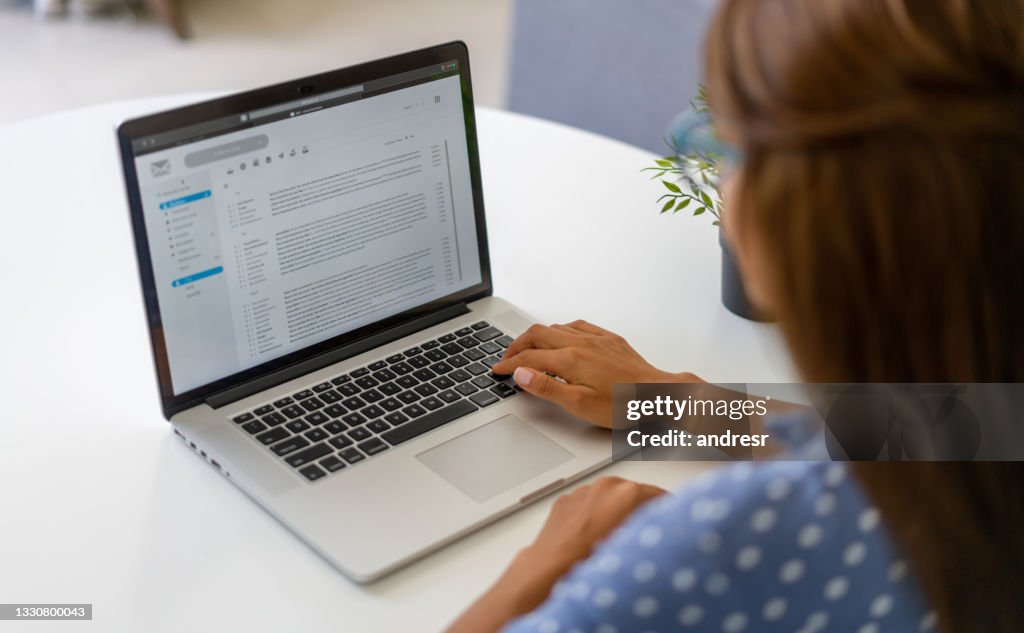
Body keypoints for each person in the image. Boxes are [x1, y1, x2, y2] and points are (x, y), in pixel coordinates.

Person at [445, 0, 1024, 631]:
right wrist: (673, 404)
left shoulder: (728, 543)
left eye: (728, 145)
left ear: (801, 219)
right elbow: (943, 432)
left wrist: (541, 564)